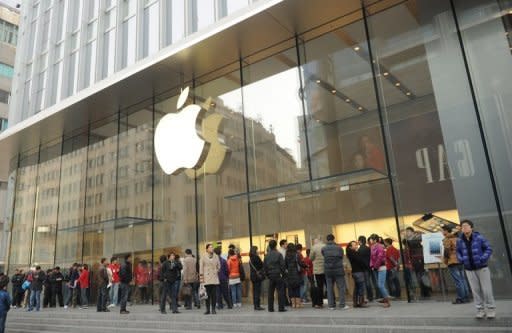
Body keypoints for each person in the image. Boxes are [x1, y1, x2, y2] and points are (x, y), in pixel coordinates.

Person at [456, 220, 495, 319]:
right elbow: (458, 252)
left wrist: (483, 258)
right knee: (475, 291)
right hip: (469, 269)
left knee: (486, 290)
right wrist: (462, 259)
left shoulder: (479, 237)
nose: (464, 228)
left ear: (471, 227)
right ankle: (480, 310)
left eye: (466, 226)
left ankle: (490, 309)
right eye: (462, 226)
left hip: (482, 268)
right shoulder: (460, 240)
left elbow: (488, 248)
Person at [441, 225, 470, 305]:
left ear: (446, 231)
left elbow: (446, 252)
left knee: (458, 281)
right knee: (463, 280)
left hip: (452, 262)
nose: (442, 232)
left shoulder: (448, 239)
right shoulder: (458, 238)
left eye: (442, 230)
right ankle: (466, 297)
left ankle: (461, 298)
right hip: (460, 261)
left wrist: (445, 261)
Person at [321, 234, 348, 310]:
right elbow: (341, 257)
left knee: (329, 288)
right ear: (334, 239)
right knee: (341, 287)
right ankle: (342, 304)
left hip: (328, 271)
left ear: (327, 239)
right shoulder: (339, 248)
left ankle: (331, 305)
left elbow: (324, 256)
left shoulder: (324, 248)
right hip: (338, 270)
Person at [404, 227, 431, 298]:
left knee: (421, 275)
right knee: (418, 276)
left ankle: (426, 291)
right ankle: (424, 291)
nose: (407, 233)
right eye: (406, 232)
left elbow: (417, 245)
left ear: (412, 232)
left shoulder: (417, 238)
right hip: (414, 260)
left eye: (408, 231)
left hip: (419, 259)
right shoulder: (407, 241)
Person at [263, 240, 286, 312]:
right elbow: (282, 266)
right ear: (276, 245)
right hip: (278, 274)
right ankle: (281, 308)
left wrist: (267, 275)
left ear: (269, 246)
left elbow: (265, 267)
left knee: (270, 292)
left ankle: (270, 308)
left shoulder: (266, 256)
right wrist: (283, 274)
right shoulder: (279, 254)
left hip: (270, 275)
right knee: (280, 292)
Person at [369, 234, 390, 308]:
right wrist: (372, 266)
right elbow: (371, 258)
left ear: (375, 240)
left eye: (371, 239)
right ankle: (385, 298)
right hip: (376, 268)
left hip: (381, 267)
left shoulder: (380, 246)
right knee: (380, 284)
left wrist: (375, 266)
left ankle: (387, 301)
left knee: (380, 285)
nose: (370, 240)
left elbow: (380, 257)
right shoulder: (372, 247)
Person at [199, 243, 220, 315]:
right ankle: (207, 309)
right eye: (210, 247)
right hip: (206, 278)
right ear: (207, 249)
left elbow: (219, 265)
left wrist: (216, 270)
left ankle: (213, 309)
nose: (212, 249)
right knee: (207, 295)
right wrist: (201, 279)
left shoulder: (216, 256)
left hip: (214, 278)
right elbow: (201, 268)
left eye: (212, 247)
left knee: (214, 295)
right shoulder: (203, 256)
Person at [346, 241, 367, 308]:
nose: (356, 246)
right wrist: (358, 252)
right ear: (350, 247)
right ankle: (361, 302)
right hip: (358, 272)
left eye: (356, 245)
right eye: (354, 245)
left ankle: (355, 303)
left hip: (355, 272)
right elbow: (360, 260)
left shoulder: (351, 253)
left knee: (357, 287)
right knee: (361, 287)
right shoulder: (353, 253)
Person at [285, 243, 305, 308]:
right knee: (297, 289)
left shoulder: (286, 255)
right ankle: (298, 304)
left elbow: (285, 265)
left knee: (291, 289)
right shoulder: (297, 255)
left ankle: (293, 304)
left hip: (289, 274)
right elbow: (301, 263)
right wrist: (306, 266)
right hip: (296, 273)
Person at [358, 235, 378, 302]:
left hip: (364, 268)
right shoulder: (368, 248)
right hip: (370, 267)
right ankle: (376, 295)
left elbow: (360, 260)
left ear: (359, 241)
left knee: (367, 283)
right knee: (374, 281)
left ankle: (370, 296)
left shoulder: (359, 250)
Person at [309, 237, 325, 308]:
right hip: (325, 268)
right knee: (328, 285)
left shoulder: (314, 247)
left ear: (316, 241)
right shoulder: (325, 246)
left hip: (318, 270)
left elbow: (310, 258)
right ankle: (332, 301)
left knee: (319, 286)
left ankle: (320, 302)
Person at [249, 245, 265, 311]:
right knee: (257, 291)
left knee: (255, 291)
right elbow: (261, 265)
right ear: (255, 251)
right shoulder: (256, 257)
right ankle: (257, 306)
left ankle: (255, 305)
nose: (257, 251)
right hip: (257, 276)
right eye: (257, 250)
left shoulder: (250, 258)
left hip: (253, 276)